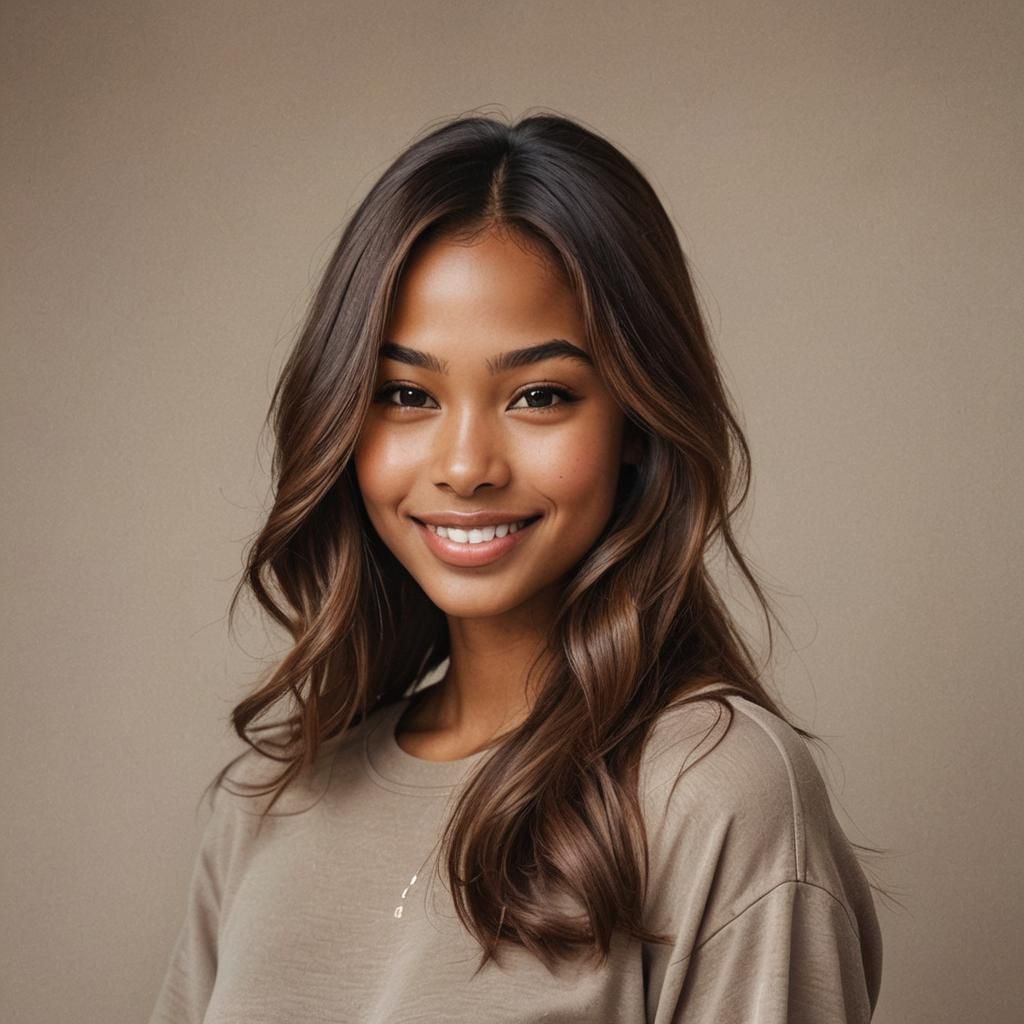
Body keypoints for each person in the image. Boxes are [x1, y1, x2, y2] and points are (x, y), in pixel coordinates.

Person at [148, 111, 884, 1023]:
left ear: (636, 422)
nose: (466, 466)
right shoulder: (270, 805)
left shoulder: (717, 794)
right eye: (406, 394)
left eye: (539, 395)